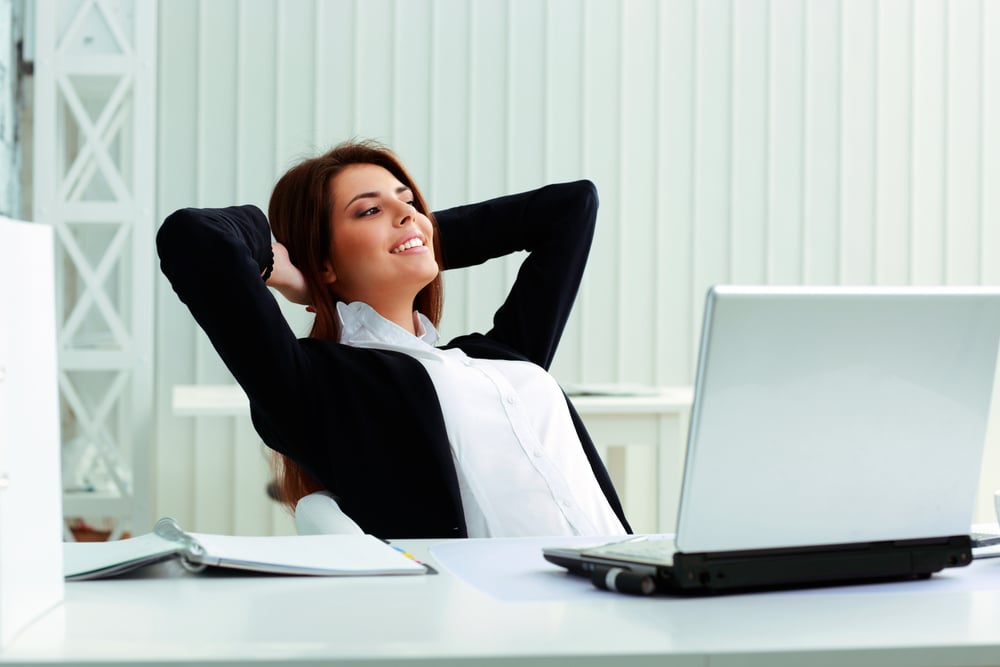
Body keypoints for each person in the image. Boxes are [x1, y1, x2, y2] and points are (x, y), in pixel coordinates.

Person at [157, 139, 631, 539]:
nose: (407, 213)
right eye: (368, 210)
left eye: (409, 200)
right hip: (511, 624)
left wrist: (415, 235)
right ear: (322, 260)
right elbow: (193, 236)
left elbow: (571, 205)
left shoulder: (497, 356)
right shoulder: (321, 383)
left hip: (631, 582)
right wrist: (287, 266)